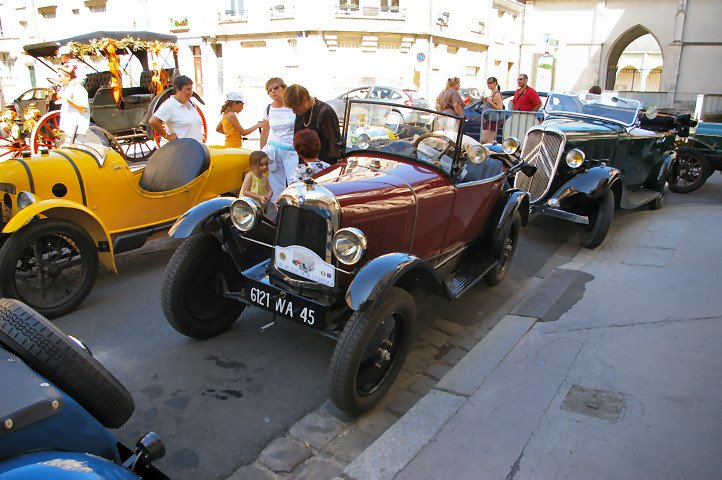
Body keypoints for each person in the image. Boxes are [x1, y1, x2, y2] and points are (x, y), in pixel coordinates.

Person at [260, 77, 298, 201]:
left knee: (294, 182)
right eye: (269, 90)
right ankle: (278, 214)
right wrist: (261, 155)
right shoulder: (268, 108)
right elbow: (265, 132)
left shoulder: (293, 107)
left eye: (276, 87)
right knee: (276, 186)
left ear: (284, 88)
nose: (273, 91)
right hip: (273, 151)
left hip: (292, 150)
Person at [284, 84, 341, 165]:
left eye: (295, 108)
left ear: (305, 100)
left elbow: (333, 147)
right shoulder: (301, 112)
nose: (294, 111)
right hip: (305, 165)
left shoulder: (325, 112)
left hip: (323, 166)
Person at [149, 75, 204, 143]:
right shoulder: (170, 104)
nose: (190, 92)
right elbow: (153, 121)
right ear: (178, 90)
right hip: (181, 150)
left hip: (197, 148)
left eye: (191, 89)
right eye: (188, 89)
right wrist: (167, 136)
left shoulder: (191, 104)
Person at [55, 64, 90, 142]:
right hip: (68, 127)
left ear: (68, 76)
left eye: (60, 76)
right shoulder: (67, 88)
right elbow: (59, 96)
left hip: (77, 129)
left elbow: (83, 108)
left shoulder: (78, 88)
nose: (59, 79)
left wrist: (70, 101)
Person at [241, 150, 273, 214]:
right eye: (261, 165)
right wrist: (259, 197)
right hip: (247, 205)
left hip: (258, 205)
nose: (265, 167)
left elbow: (270, 190)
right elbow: (245, 192)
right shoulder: (250, 176)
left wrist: (269, 195)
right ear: (253, 165)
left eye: (266, 164)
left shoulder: (264, 177)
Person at [480, 76, 504, 143]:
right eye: (487, 83)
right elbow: (489, 106)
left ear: (495, 83)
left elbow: (500, 108)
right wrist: (484, 100)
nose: (488, 84)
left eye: (490, 82)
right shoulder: (492, 93)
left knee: (489, 140)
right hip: (488, 118)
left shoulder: (497, 94)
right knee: (484, 139)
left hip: (493, 118)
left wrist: (490, 102)